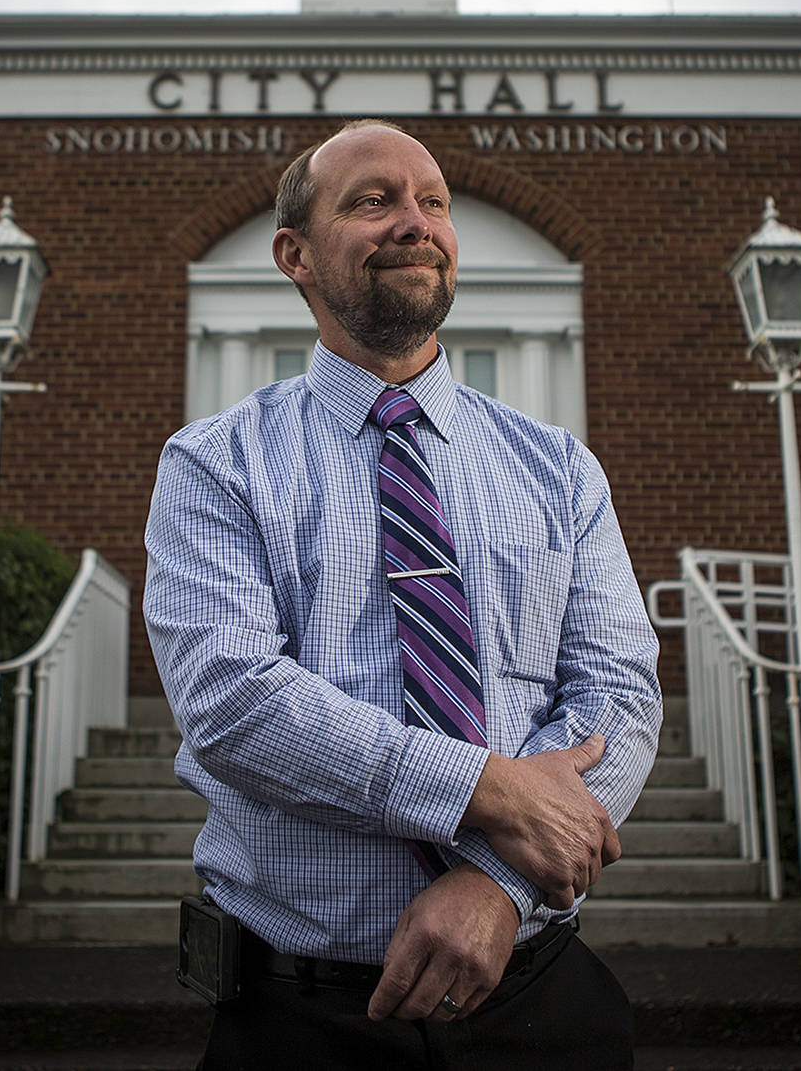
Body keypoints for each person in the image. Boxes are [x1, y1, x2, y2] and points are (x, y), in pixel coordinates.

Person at [143, 119, 662, 1069]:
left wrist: (497, 884)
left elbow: (619, 699)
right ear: (293, 255)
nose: (414, 222)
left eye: (433, 201)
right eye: (372, 200)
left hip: (545, 998)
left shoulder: (559, 469)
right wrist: (487, 788)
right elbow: (231, 702)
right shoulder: (215, 464)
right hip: (307, 1019)